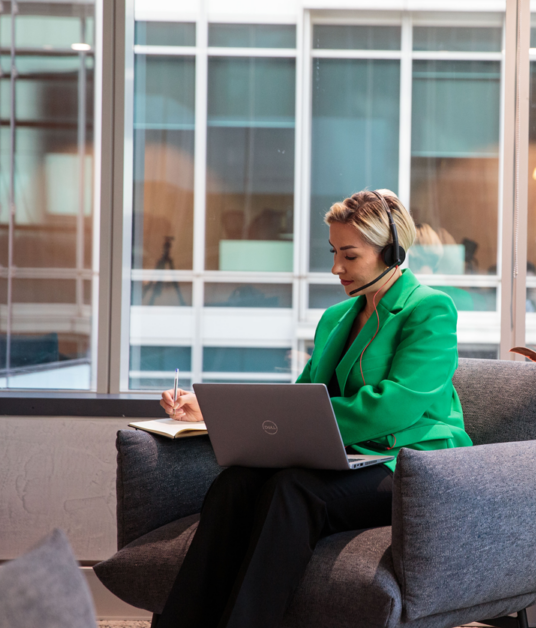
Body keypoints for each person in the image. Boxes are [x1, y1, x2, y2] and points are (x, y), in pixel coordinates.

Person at [155, 190, 473, 628]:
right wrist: (209, 414)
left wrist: (315, 424)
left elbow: (396, 406)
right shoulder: (336, 318)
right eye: (333, 252)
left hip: (410, 464)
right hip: (348, 458)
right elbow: (300, 399)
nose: (335, 268)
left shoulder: (430, 310)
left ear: (392, 253)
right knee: (237, 483)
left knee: (293, 488)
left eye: (349, 255)